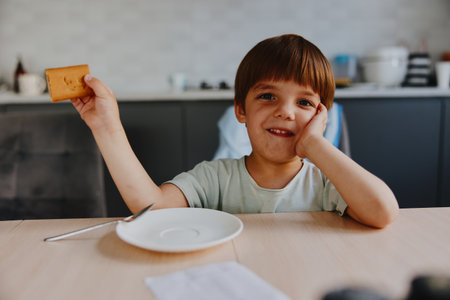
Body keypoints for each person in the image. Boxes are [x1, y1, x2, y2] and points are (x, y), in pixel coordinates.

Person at [71, 34, 398, 228]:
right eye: (268, 96)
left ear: (320, 116)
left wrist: (315, 144)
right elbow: (150, 207)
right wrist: (107, 127)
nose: (285, 111)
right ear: (240, 109)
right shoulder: (213, 178)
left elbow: (383, 213)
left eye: (304, 103)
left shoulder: (327, 182)